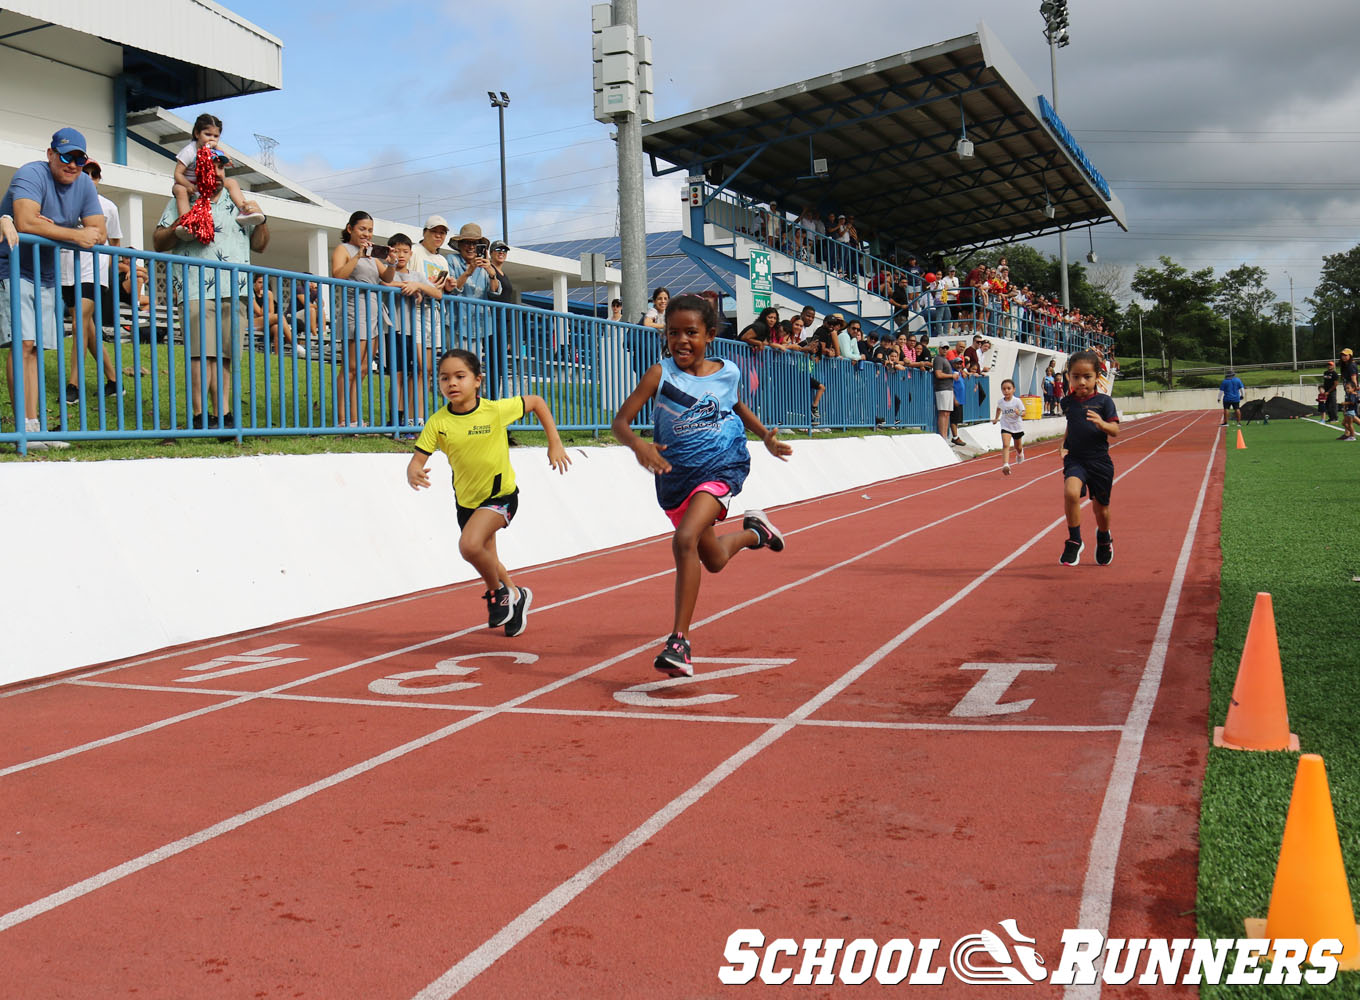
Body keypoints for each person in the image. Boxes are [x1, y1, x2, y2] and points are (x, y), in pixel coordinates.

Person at [610, 293, 792, 678]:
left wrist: (765, 437)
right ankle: (754, 533)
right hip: (675, 478)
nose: (681, 341)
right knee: (714, 559)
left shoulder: (727, 371)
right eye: (673, 332)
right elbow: (620, 422)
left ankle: (679, 641)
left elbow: (735, 406)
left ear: (709, 334)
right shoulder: (660, 375)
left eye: (691, 332)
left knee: (684, 539)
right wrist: (640, 445)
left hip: (721, 466)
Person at [406, 348, 570, 636]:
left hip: (500, 497)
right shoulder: (438, 423)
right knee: (488, 559)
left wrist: (554, 442)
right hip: (467, 503)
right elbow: (418, 459)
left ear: (478, 380)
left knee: (469, 546)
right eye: (444, 378)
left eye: (460, 376)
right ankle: (516, 596)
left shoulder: (493, 410)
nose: (452, 384)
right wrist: (413, 470)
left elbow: (536, 402)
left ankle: (498, 594)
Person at [1, 128, 106, 448]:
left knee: (35, 349)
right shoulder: (31, 173)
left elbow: (99, 232)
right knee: (23, 344)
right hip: (13, 267)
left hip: (46, 273)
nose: (72, 164)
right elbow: (26, 222)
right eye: (65, 156)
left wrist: (52, 227)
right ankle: (25, 428)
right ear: (50, 154)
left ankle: (34, 428)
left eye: (79, 158)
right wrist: (73, 233)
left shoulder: (85, 183)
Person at [152, 149, 270, 432]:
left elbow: (261, 245)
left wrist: (262, 219)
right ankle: (199, 415)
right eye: (210, 168)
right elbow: (158, 241)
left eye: (221, 169)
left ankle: (223, 415)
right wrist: (180, 226)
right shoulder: (183, 200)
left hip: (236, 288)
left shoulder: (239, 201)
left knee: (225, 355)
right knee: (200, 354)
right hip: (196, 286)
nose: (216, 174)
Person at [60, 159, 122, 405]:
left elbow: (115, 241)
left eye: (94, 174)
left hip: (92, 273)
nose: (89, 177)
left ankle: (73, 385)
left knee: (79, 324)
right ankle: (114, 381)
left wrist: (106, 268)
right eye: (85, 172)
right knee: (87, 328)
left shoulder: (108, 207)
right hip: (66, 269)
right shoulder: (65, 201)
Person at [330, 210, 395, 428]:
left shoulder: (372, 255)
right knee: (350, 367)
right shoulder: (344, 249)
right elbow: (338, 275)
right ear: (350, 229)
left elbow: (385, 277)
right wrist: (358, 255)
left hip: (374, 313)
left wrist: (392, 262)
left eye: (370, 230)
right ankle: (342, 419)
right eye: (362, 229)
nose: (367, 234)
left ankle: (355, 417)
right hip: (354, 311)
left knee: (365, 368)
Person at [1059, 350, 1121, 566]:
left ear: (1097, 377)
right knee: (1070, 492)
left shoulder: (1104, 402)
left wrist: (1101, 423)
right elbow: (1071, 424)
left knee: (1101, 509)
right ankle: (1075, 540)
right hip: (1076, 458)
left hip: (1099, 461)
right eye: (1076, 376)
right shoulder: (1067, 402)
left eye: (1087, 377)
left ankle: (1104, 538)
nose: (1081, 381)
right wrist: (1064, 444)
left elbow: (1115, 430)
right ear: (1069, 377)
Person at [385, 232, 444, 436]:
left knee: (416, 372)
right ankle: (394, 419)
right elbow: (383, 283)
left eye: (404, 251)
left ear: (411, 253)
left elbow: (437, 293)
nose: (400, 255)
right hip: (393, 328)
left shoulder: (416, 275)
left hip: (413, 331)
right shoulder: (387, 271)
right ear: (389, 252)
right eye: (396, 251)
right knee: (398, 375)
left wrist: (418, 286)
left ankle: (411, 418)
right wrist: (405, 286)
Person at [171, 114, 260, 236]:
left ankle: (244, 209)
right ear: (197, 134)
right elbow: (178, 173)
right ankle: (186, 223)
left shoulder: (213, 150)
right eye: (207, 135)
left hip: (203, 183)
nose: (211, 139)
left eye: (216, 136)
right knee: (180, 191)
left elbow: (228, 161)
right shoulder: (189, 151)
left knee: (231, 182)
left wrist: (217, 146)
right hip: (185, 183)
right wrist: (188, 185)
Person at [992, 378, 1027, 476]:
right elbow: (999, 409)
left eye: (1008, 388)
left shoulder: (1017, 401)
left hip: (1017, 426)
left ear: (1013, 389)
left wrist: (1018, 412)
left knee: (1018, 446)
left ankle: (1020, 453)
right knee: (1006, 445)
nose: (1006, 391)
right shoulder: (1001, 402)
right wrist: (996, 419)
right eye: (1004, 389)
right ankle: (1006, 465)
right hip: (1006, 425)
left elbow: (1024, 413)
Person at [932, 339, 959, 442]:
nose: (945, 349)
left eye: (946, 348)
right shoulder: (938, 359)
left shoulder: (945, 359)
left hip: (947, 388)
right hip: (942, 389)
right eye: (943, 348)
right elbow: (938, 374)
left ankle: (945, 436)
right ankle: (942, 436)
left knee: (947, 413)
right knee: (943, 413)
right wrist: (952, 375)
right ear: (939, 348)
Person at [1339, 348, 1358, 442]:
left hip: (1352, 392)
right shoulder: (1346, 365)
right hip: (1348, 392)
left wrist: (1355, 391)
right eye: (1342, 355)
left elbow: (1354, 380)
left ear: (1350, 356)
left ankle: (1350, 434)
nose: (1344, 357)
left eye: (1346, 355)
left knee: (1351, 415)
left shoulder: (1351, 366)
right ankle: (1347, 433)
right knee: (1348, 414)